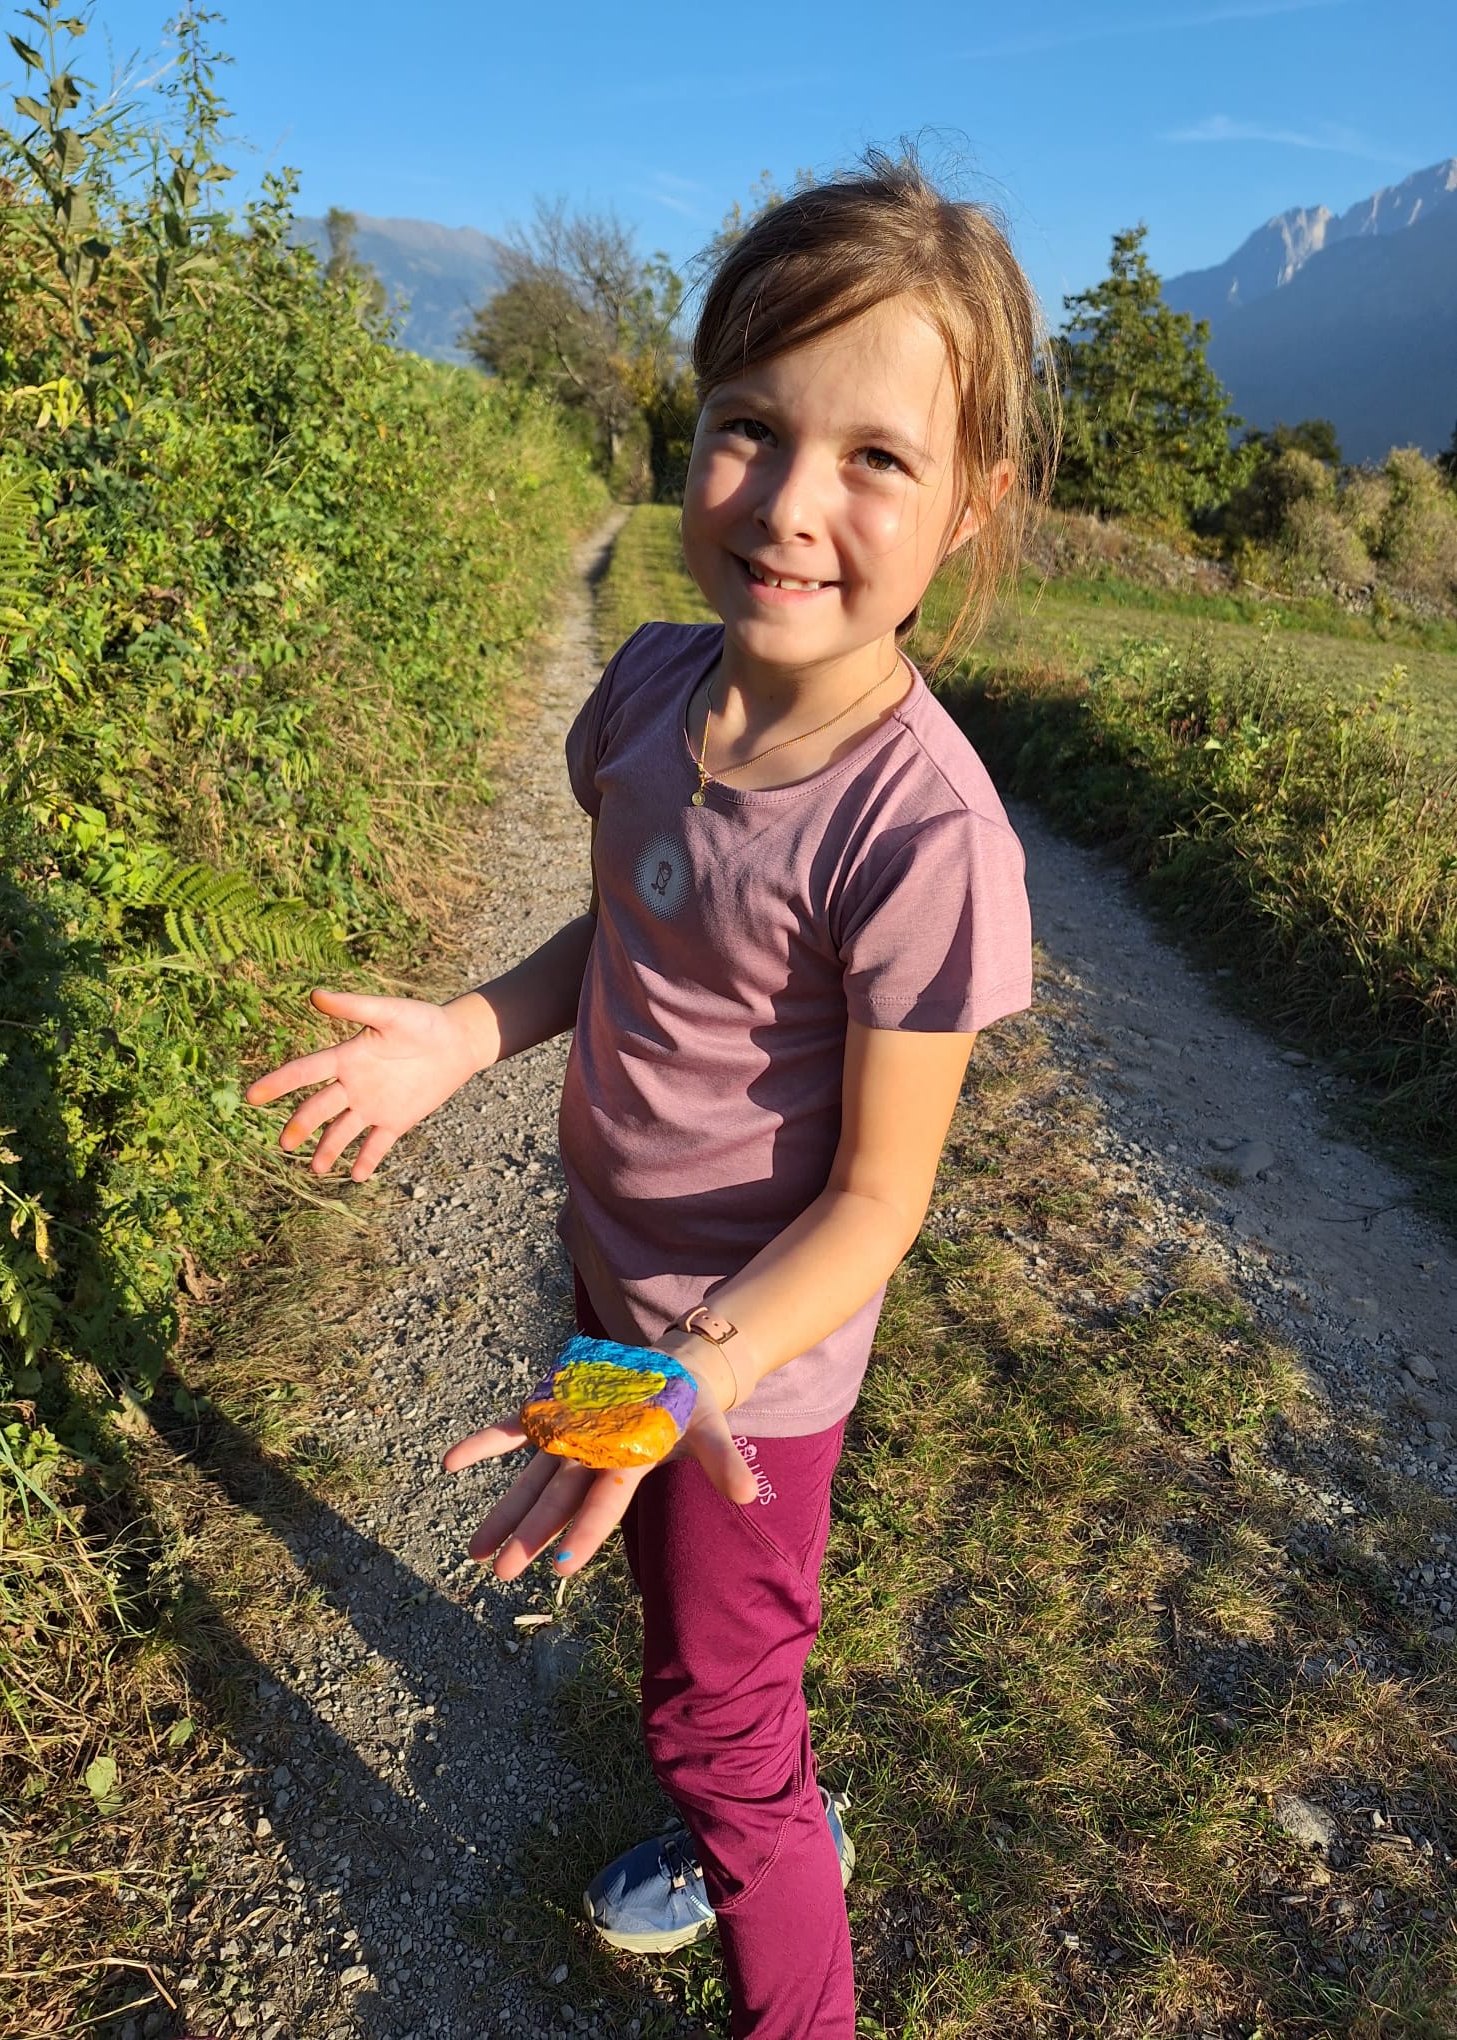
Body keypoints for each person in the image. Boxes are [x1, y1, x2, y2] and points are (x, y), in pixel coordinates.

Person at [246, 151, 1055, 2040]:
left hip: (745, 1368)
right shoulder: (645, 688)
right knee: (669, 1623)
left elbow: (876, 1203)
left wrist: (686, 1378)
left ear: (971, 506)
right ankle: (743, 1799)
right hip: (620, 1288)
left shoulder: (920, 833)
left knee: (712, 1712)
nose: (787, 502)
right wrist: (471, 1031)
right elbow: (623, 935)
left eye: (876, 457)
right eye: (748, 426)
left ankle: (769, 1874)